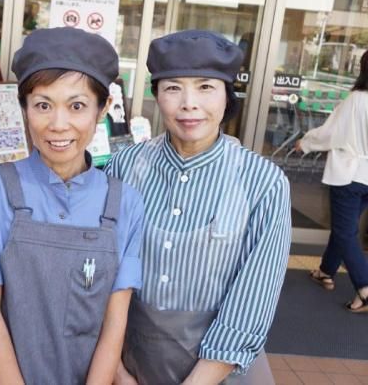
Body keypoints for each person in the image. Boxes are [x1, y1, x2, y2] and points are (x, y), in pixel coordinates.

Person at [0, 27, 144, 384]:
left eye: (77, 106)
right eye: (43, 105)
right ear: (24, 108)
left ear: (103, 109)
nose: (58, 125)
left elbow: (114, 323)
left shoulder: (125, 202)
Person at [106, 30, 292, 384]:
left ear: (227, 97)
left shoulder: (263, 182)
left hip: (222, 373)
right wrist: (117, 373)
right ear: (157, 95)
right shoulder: (123, 168)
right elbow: (102, 277)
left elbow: (253, 300)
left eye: (206, 87)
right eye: (173, 88)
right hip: (130, 365)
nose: (189, 103)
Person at [296, 50, 368, 314]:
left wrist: (305, 143)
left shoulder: (356, 100)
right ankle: (325, 271)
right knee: (344, 228)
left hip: (349, 175)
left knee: (345, 231)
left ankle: (365, 287)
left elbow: (330, 133)